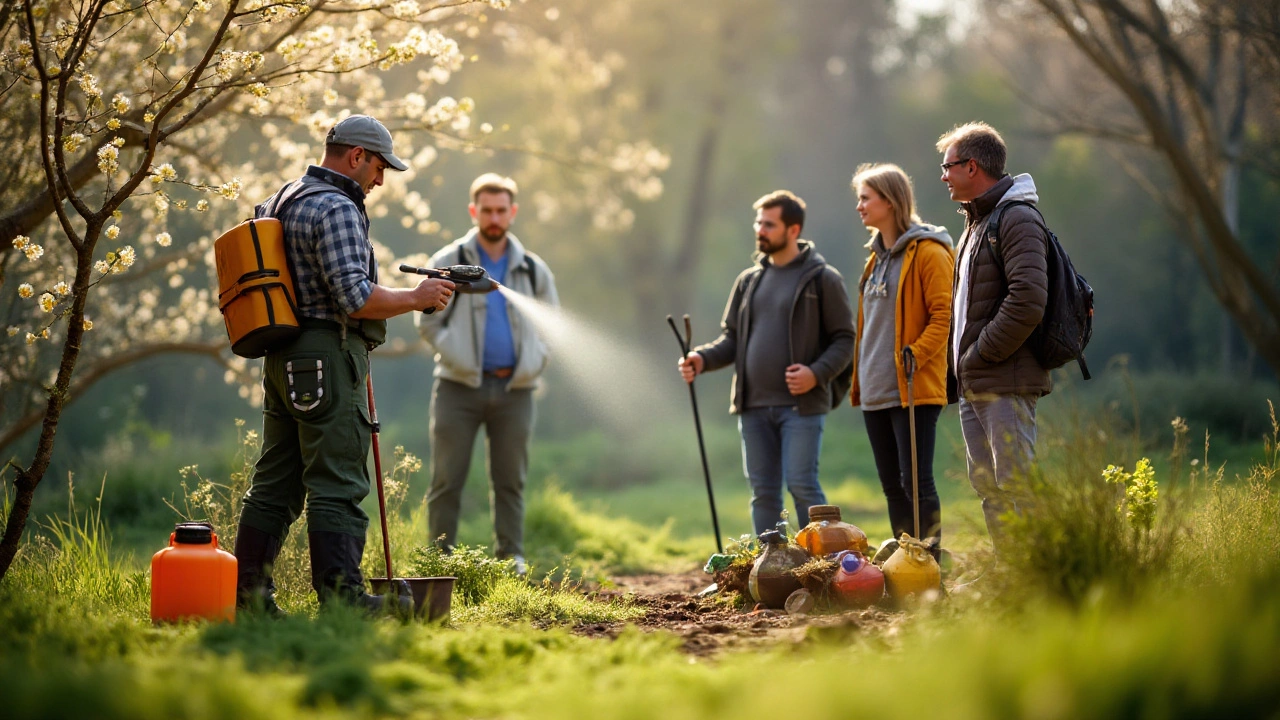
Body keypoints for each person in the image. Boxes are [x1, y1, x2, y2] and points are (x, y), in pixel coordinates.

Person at [234, 114, 456, 614]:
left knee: (275, 482)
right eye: (378, 168)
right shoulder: (336, 206)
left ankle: (248, 599)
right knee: (338, 480)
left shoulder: (281, 198)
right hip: (326, 359)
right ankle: (343, 599)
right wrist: (416, 297)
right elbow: (354, 298)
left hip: (281, 357)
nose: (379, 181)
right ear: (357, 156)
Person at [678, 190, 856, 538]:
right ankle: (771, 571)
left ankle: (821, 566)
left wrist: (815, 373)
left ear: (793, 229)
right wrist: (701, 358)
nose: (760, 229)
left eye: (769, 224)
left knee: (803, 486)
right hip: (753, 406)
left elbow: (846, 339)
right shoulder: (748, 281)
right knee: (763, 494)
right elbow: (732, 339)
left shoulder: (822, 278)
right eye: (759, 222)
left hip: (801, 407)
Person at [416, 173, 559, 577]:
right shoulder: (448, 261)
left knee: (510, 480)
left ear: (512, 212)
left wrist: (534, 362)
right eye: (487, 210)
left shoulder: (533, 270)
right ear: (473, 211)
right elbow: (426, 323)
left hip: (516, 390)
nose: (494, 218)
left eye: (501, 210)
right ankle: (438, 561)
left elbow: (553, 325)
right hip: (457, 388)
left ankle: (511, 558)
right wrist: (459, 356)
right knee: (446, 479)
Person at [937, 121, 1050, 549]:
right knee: (989, 487)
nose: (943, 176)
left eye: (947, 167)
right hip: (977, 383)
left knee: (1017, 482)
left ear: (971, 166)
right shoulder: (976, 224)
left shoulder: (1016, 218)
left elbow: (1028, 300)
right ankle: (1012, 574)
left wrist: (979, 355)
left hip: (1004, 378)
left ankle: (1042, 574)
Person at [849, 163, 954, 554]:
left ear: (890, 201)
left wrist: (917, 354)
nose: (859, 206)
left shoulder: (929, 251)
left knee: (916, 483)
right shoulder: (874, 261)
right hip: (875, 389)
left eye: (865, 198)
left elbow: (943, 316)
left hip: (913, 385)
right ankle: (905, 563)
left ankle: (929, 562)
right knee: (893, 486)